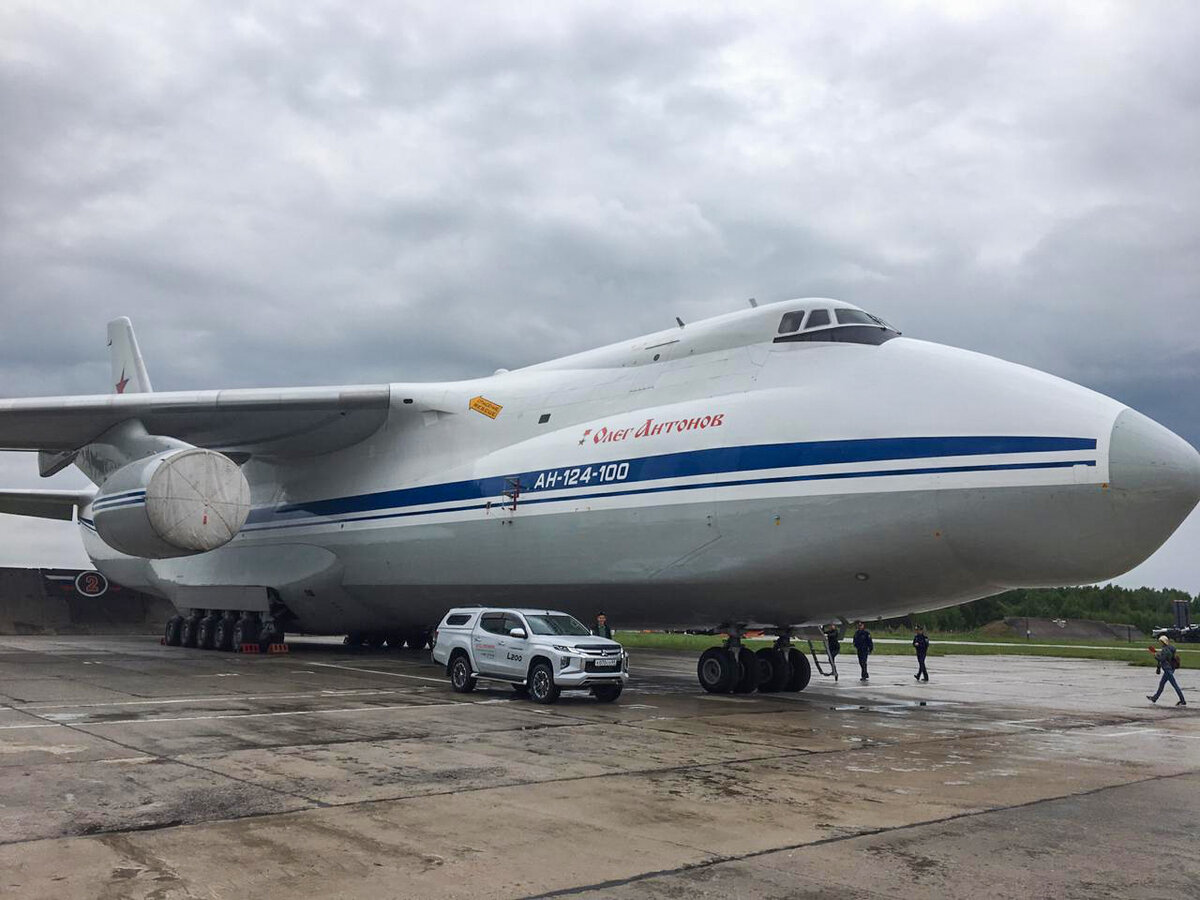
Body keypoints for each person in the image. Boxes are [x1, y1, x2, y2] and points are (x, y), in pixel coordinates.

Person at [1147, 635, 1186, 706]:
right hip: (1170, 668)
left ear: (1163, 642)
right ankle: (1154, 698)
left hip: (1167, 670)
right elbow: (1165, 657)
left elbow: (1162, 659)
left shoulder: (1165, 649)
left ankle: (1182, 701)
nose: (1160, 643)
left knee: (1175, 685)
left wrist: (1154, 655)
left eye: (1160, 642)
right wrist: (1157, 654)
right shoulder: (1170, 648)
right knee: (1161, 684)